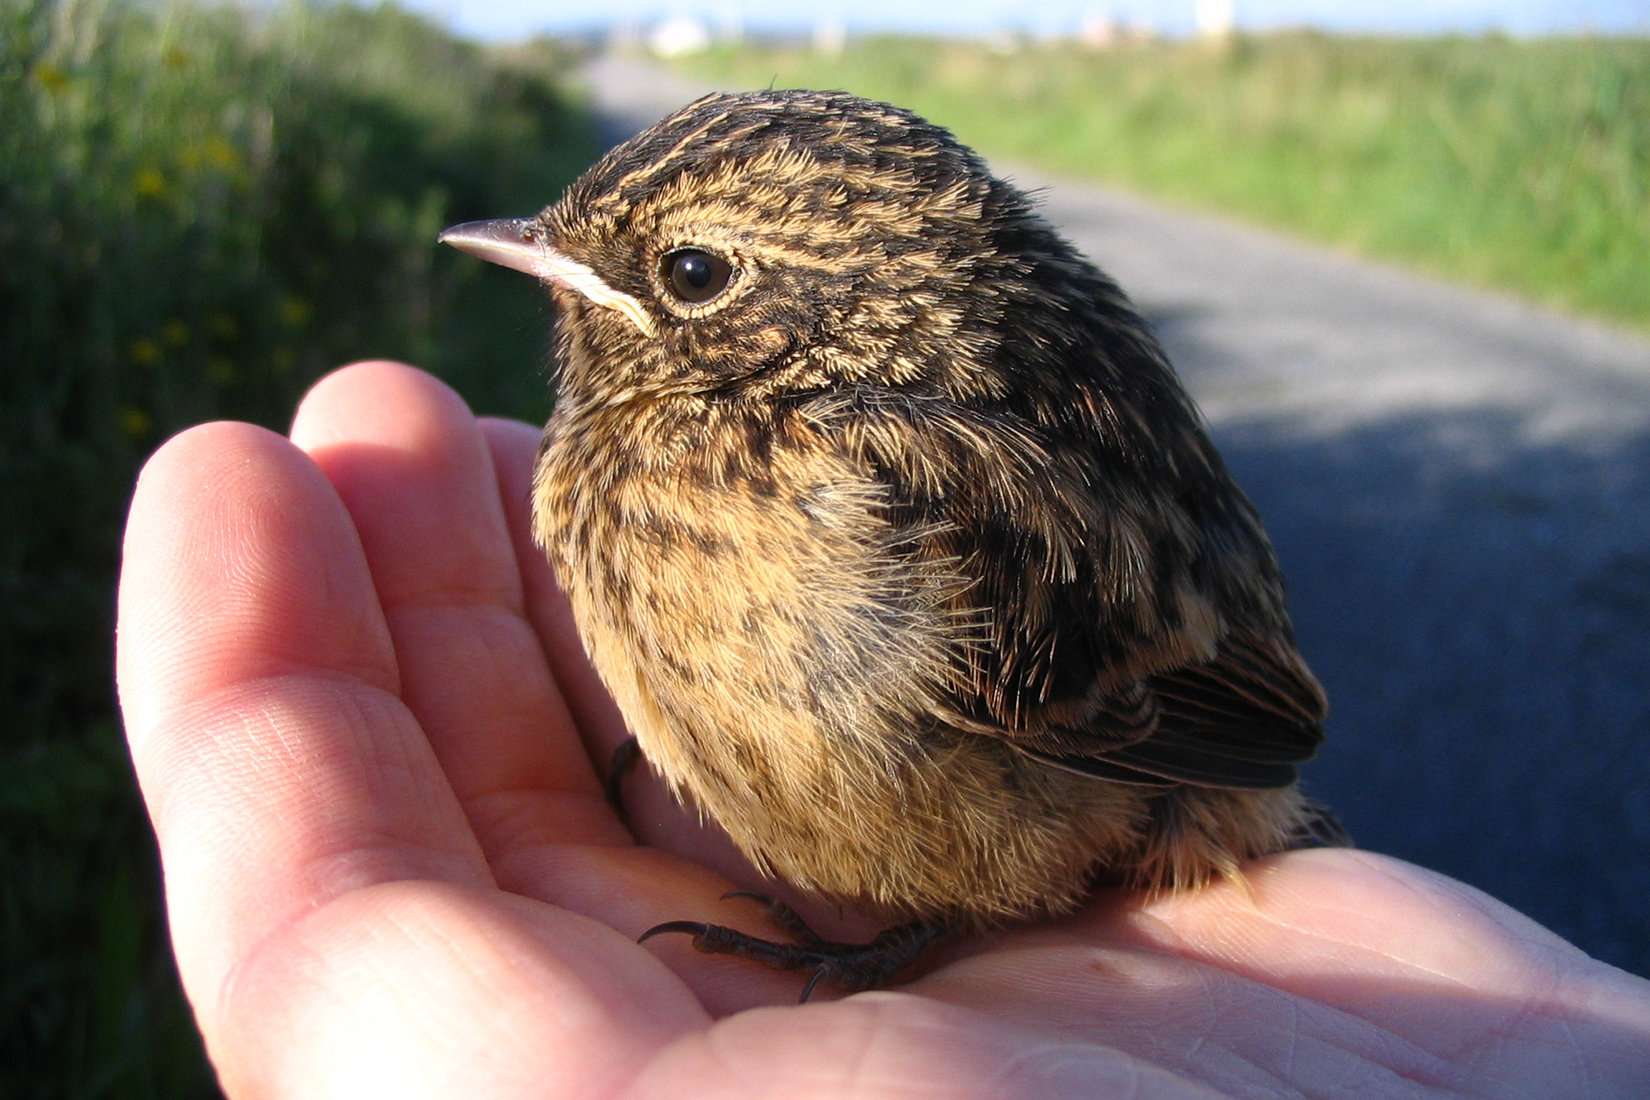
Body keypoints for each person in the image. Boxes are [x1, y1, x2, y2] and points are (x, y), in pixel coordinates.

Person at [116, 361, 1650, 1098]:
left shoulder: (863, 500)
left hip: (1153, 782)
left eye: (693, 273)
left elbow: (1233, 714)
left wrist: (881, 955)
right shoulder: (659, 460)